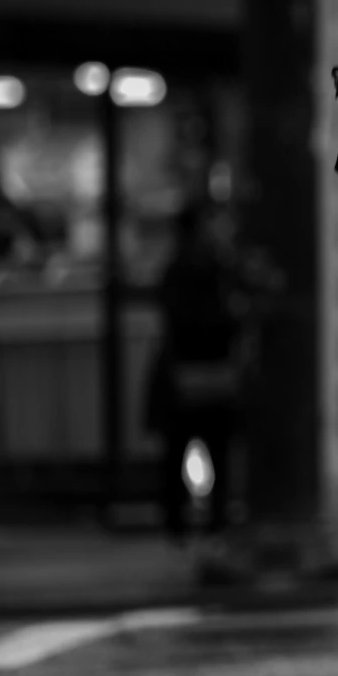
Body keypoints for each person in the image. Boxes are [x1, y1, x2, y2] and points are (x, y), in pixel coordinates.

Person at [145, 199, 240, 540]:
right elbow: (205, 319)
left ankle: (183, 526)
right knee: (208, 450)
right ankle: (204, 526)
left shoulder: (191, 265)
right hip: (200, 370)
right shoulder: (207, 267)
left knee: (183, 452)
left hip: (189, 371)